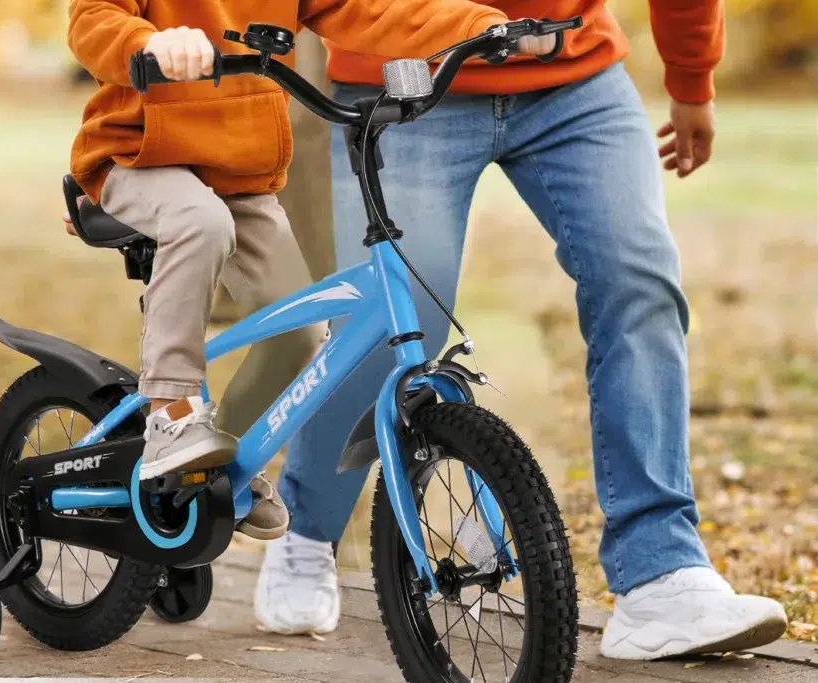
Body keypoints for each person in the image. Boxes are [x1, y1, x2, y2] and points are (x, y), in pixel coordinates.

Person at [254, 0, 792, 660]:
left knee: (638, 282)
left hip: (572, 79)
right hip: (404, 79)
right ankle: (306, 530)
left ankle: (660, 573)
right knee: (391, 326)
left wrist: (690, 78)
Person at [65, 0, 528, 540]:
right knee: (200, 222)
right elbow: (93, 17)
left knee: (301, 334)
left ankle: (212, 472)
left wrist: (476, 26)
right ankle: (171, 415)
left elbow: (364, 9)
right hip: (137, 155)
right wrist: (147, 43)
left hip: (237, 172)